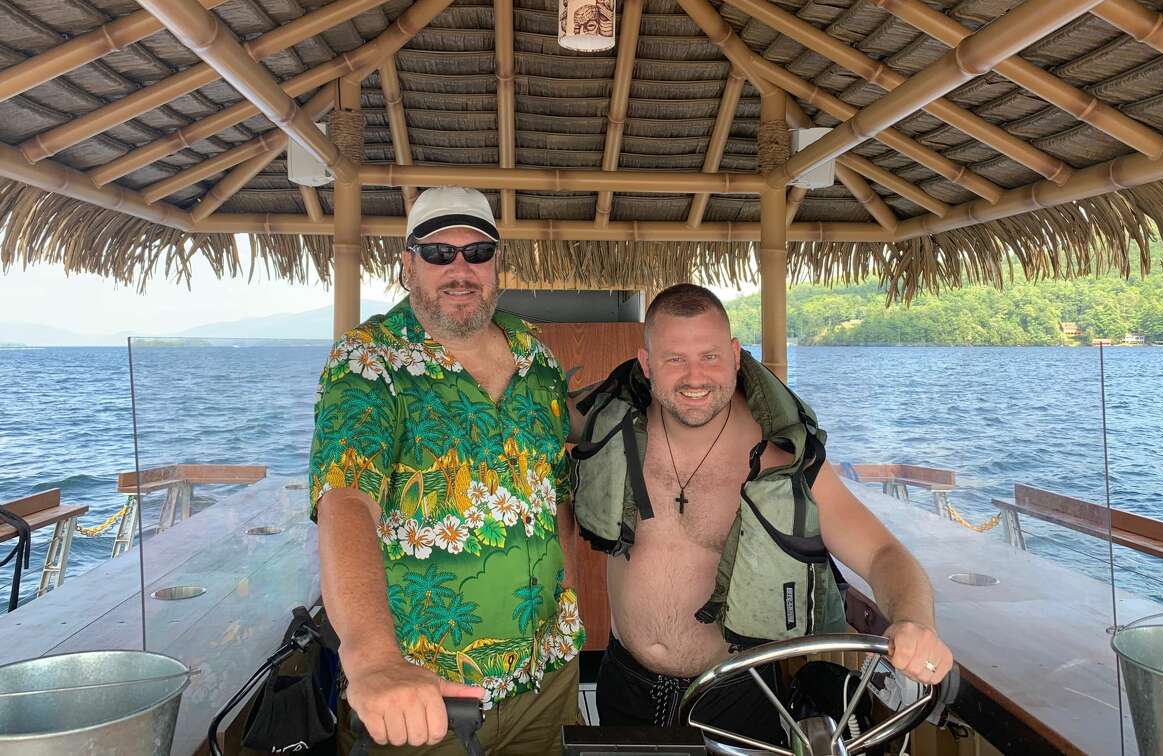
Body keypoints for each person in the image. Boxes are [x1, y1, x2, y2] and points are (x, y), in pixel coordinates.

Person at [569, 283, 952, 742]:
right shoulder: (610, 427)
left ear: (735, 355)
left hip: (740, 691)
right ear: (647, 364)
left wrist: (916, 622)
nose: (695, 377)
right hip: (625, 681)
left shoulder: (782, 458)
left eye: (709, 356)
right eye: (675, 359)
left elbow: (882, 553)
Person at [309, 187, 584, 755]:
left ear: (497, 265)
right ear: (407, 265)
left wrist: (568, 610)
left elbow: (556, 500)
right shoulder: (369, 362)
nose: (459, 269)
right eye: (438, 254)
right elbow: (346, 503)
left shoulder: (538, 358)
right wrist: (374, 660)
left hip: (546, 679)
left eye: (477, 253)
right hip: (424, 694)